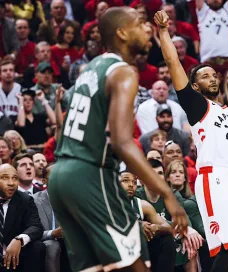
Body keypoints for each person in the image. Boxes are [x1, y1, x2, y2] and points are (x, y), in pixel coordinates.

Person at [48, 7, 188, 272]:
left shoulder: (90, 68)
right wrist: (167, 193)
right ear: (122, 33)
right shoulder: (123, 72)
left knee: (97, 268)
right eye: (140, 23)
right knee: (135, 266)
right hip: (89, 175)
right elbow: (123, 143)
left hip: (60, 176)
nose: (147, 28)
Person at [156, 10, 228, 272]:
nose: (213, 78)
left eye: (214, 75)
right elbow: (174, 64)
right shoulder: (197, 106)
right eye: (205, 76)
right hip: (213, 181)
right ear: (195, 86)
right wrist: (163, 32)